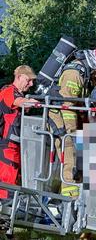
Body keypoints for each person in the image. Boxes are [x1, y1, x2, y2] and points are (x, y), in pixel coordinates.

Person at [48, 43, 96, 198]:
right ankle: (69, 203)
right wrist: (73, 134)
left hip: (71, 121)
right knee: (70, 160)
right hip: (61, 122)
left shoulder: (87, 72)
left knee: (79, 161)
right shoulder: (75, 73)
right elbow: (67, 106)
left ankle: (77, 201)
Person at [0, 65, 37, 199]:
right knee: (7, 184)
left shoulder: (15, 92)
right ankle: (5, 213)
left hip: (13, 146)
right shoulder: (9, 91)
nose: (31, 84)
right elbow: (18, 101)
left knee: (13, 182)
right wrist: (29, 102)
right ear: (19, 77)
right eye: (29, 80)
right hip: (6, 147)